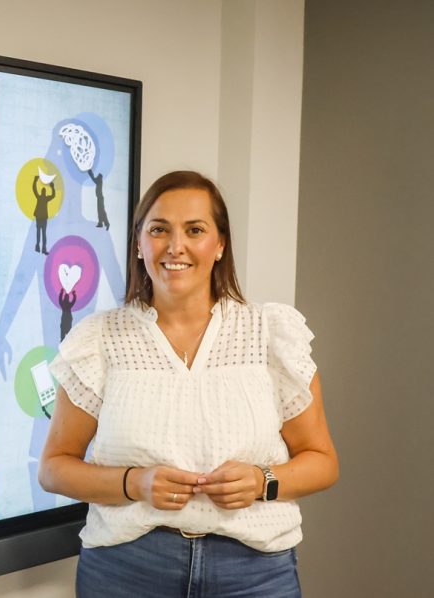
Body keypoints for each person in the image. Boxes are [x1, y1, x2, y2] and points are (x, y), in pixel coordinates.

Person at [38, 171, 338, 597]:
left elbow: (322, 461)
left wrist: (262, 481)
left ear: (220, 244)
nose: (175, 246)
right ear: (139, 244)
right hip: (128, 572)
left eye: (194, 230)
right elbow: (54, 468)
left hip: (254, 574)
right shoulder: (101, 339)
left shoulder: (269, 332)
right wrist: (134, 483)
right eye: (159, 230)